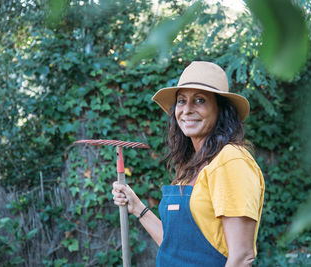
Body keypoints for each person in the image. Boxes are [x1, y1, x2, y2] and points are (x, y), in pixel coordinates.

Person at [112, 61, 265, 267]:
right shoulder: (190, 166)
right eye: (182, 101)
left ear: (221, 110)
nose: (187, 109)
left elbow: (241, 256)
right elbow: (175, 246)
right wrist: (137, 207)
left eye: (200, 100)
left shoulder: (231, 160)